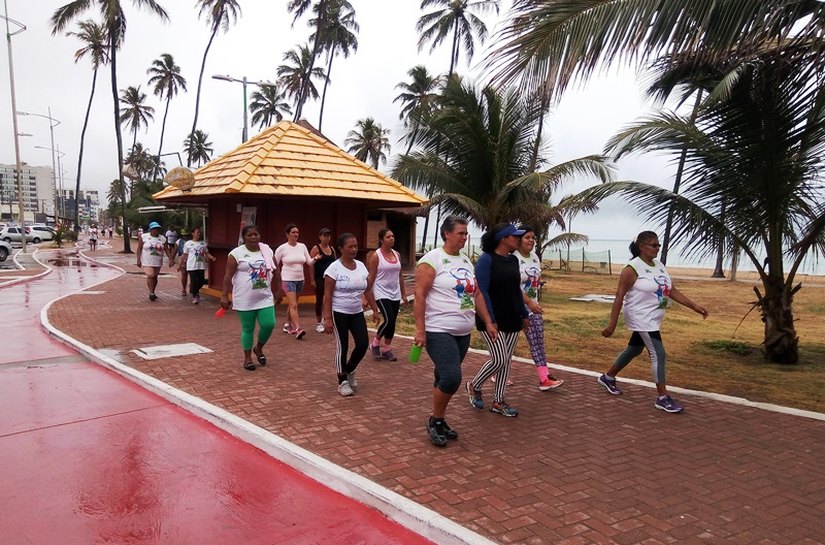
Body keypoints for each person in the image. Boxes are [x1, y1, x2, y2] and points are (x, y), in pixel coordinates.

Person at [598, 231, 709, 413]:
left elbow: (671, 291)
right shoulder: (632, 268)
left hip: (653, 317)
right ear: (642, 247)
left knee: (635, 349)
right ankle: (663, 397)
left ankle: (608, 377)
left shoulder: (659, 265)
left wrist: (694, 306)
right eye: (653, 245)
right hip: (641, 317)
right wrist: (612, 324)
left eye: (658, 245)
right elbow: (619, 295)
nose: (657, 248)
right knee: (658, 354)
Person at [415, 216, 476, 447]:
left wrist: (488, 321)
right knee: (452, 377)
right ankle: (435, 420)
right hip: (438, 329)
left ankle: (440, 419)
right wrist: (420, 330)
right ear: (447, 234)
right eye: (460, 232)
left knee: (443, 376)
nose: (464, 236)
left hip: (463, 330)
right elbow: (419, 295)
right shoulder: (432, 260)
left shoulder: (465, 259)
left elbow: (475, 292)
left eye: (466, 233)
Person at [466, 224, 529, 418]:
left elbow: (516, 290)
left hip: (512, 318)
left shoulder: (512, 260)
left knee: (506, 361)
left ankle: (498, 401)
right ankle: (474, 385)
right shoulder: (486, 260)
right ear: (503, 239)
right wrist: (490, 320)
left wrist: (524, 313)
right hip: (491, 319)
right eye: (515, 236)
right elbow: (481, 292)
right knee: (500, 358)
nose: (518, 240)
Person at [220, 224, 283, 371]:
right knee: (248, 329)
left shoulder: (266, 251)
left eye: (256, 234)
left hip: (264, 296)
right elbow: (228, 275)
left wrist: (279, 290)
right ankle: (247, 358)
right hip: (245, 298)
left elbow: (277, 272)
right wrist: (224, 295)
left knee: (269, 324)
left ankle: (259, 348)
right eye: (250, 235)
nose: (253, 237)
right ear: (244, 237)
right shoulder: (236, 254)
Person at [323, 233, 378, 396]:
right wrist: (327, 319)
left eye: (355, 246)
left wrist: (375, 309)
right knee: (343, 347)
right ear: (341, 248)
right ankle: (342, 381)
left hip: (356, 312)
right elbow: (328, 294)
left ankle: (350, 369)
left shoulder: (361, 265)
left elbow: (367, 289)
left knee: (362, 344)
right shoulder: (334, 268)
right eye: (350, 246)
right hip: (339, 312)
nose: (354, 249)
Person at [516, 226, 565, 390]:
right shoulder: (513, 259)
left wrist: (534, 302)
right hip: (515, 308)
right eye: (527, 237)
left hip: (533, 309)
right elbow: (511, 286)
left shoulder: (535, 257)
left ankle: (544, 378)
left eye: (533, 237)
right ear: (518, 239)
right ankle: (497, 372)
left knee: (537, 342)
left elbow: (536, 281)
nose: (531, 240)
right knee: (507, 345)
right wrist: (528, 302)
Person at [367, 228, 408, 361]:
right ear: (381, 240)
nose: (392, 239)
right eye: (388, 237)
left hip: (394, 292)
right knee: (389, 319)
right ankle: (375, 343)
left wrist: (403, 294)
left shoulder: (397, 254)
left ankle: (386, 348)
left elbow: (400, 275)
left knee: (393, 322)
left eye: (392, 236)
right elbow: (371, 276)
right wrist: (366, 296)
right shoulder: (376, 256)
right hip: (380, 291)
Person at [275, 223, 318, 340]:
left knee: (293, 304)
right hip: (287, 279)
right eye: (293, 232)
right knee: (293, 305)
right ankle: (298, 328)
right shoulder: (282, 248)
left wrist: (316, 258)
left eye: (297, 232)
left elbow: (309, 262)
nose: (296, 234)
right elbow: (274, 263)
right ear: (287, 234)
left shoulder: (302, 246)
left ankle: (287, 324)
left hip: (300, 280)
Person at [309, 228, 337, 333]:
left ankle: (328, 319)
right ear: (320, 237)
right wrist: (312, 280)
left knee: (330, 299)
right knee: (320, 299)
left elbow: (336, 264)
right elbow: (311, 264)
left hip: (330, 279)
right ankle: (318, 322)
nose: (327, 238)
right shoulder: (316, 249)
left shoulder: (332, 249)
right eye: (325, 235)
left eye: (328, 236)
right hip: (319, 278)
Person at [179, 227, 215, 304]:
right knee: (194, 280)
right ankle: (195, 296)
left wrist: (212, 257)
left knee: (201, 281)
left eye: (200, 232)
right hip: (191, 266)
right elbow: (184, 255)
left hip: (201, 265)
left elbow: (206, 253)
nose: (199, 234)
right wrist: (180, 264)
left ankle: (193, 289)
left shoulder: (203, 243)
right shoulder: (188, 243)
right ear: (193, 233)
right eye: (197, 232)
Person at [136, 221, 166, 302]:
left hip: (157, 260)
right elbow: (139, 248)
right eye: (154, 229)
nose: (156, 230)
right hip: (147, 260)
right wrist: (138, 259)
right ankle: (151, 292)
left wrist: (171, 258)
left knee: (155, 276)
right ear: (150, 229)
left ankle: (153, 291)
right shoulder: (144, 236)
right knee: (150, 275)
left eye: (157, 229)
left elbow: (166, 249)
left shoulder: (162, 238)